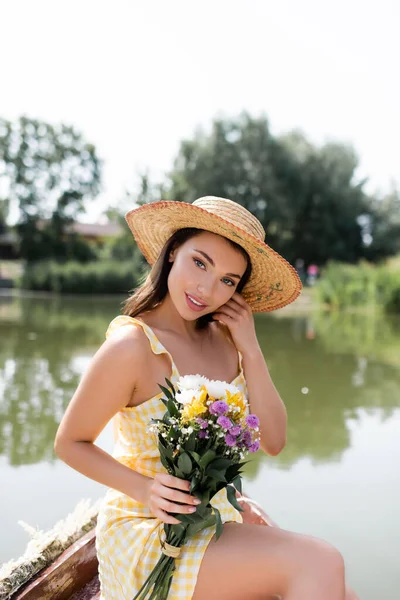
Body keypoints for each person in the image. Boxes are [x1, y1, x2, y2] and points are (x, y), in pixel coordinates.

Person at [55, 197, 360, 600]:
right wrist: (145, 488)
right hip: (147, 529)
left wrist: (250, 350)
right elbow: (69, 443)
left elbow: (274, 441)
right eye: (199, 263)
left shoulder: (226, 345)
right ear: (172, 252)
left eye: (228, 281)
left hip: (211, 520)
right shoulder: (132, 347)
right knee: (321, 561)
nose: (206, 289)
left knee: (339, 587)